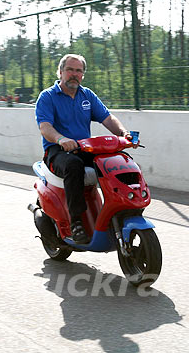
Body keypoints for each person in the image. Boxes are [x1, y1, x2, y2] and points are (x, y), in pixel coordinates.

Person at [35, 54, 135, 244]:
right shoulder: (47, 97)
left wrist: (124, 134)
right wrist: (61, 138)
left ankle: (124, 209)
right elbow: (45, 127)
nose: (74, 74)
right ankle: (77, 222)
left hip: (85, 148)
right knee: (74, 165)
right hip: (58, 152)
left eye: (78, 71)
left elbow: (107, 118)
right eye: (70, 70)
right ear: (61, 72)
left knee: (121, 160)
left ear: (83, 74)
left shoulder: (87, 95)